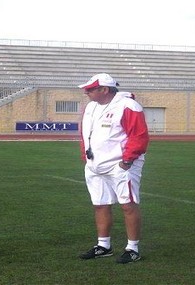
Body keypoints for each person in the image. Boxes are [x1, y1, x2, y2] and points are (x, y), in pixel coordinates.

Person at [77, 73, 149, 264]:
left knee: (128, 204)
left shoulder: (128, 106)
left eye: (91, 89)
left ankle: (133, 248)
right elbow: (86, 134)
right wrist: (86, 157)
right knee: (100, 203)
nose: (86, 92)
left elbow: (139, 136)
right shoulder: (91, 107)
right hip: (95, 165)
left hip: (121, 164)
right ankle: (103, 245)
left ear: (105, 90)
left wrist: (127, 161)